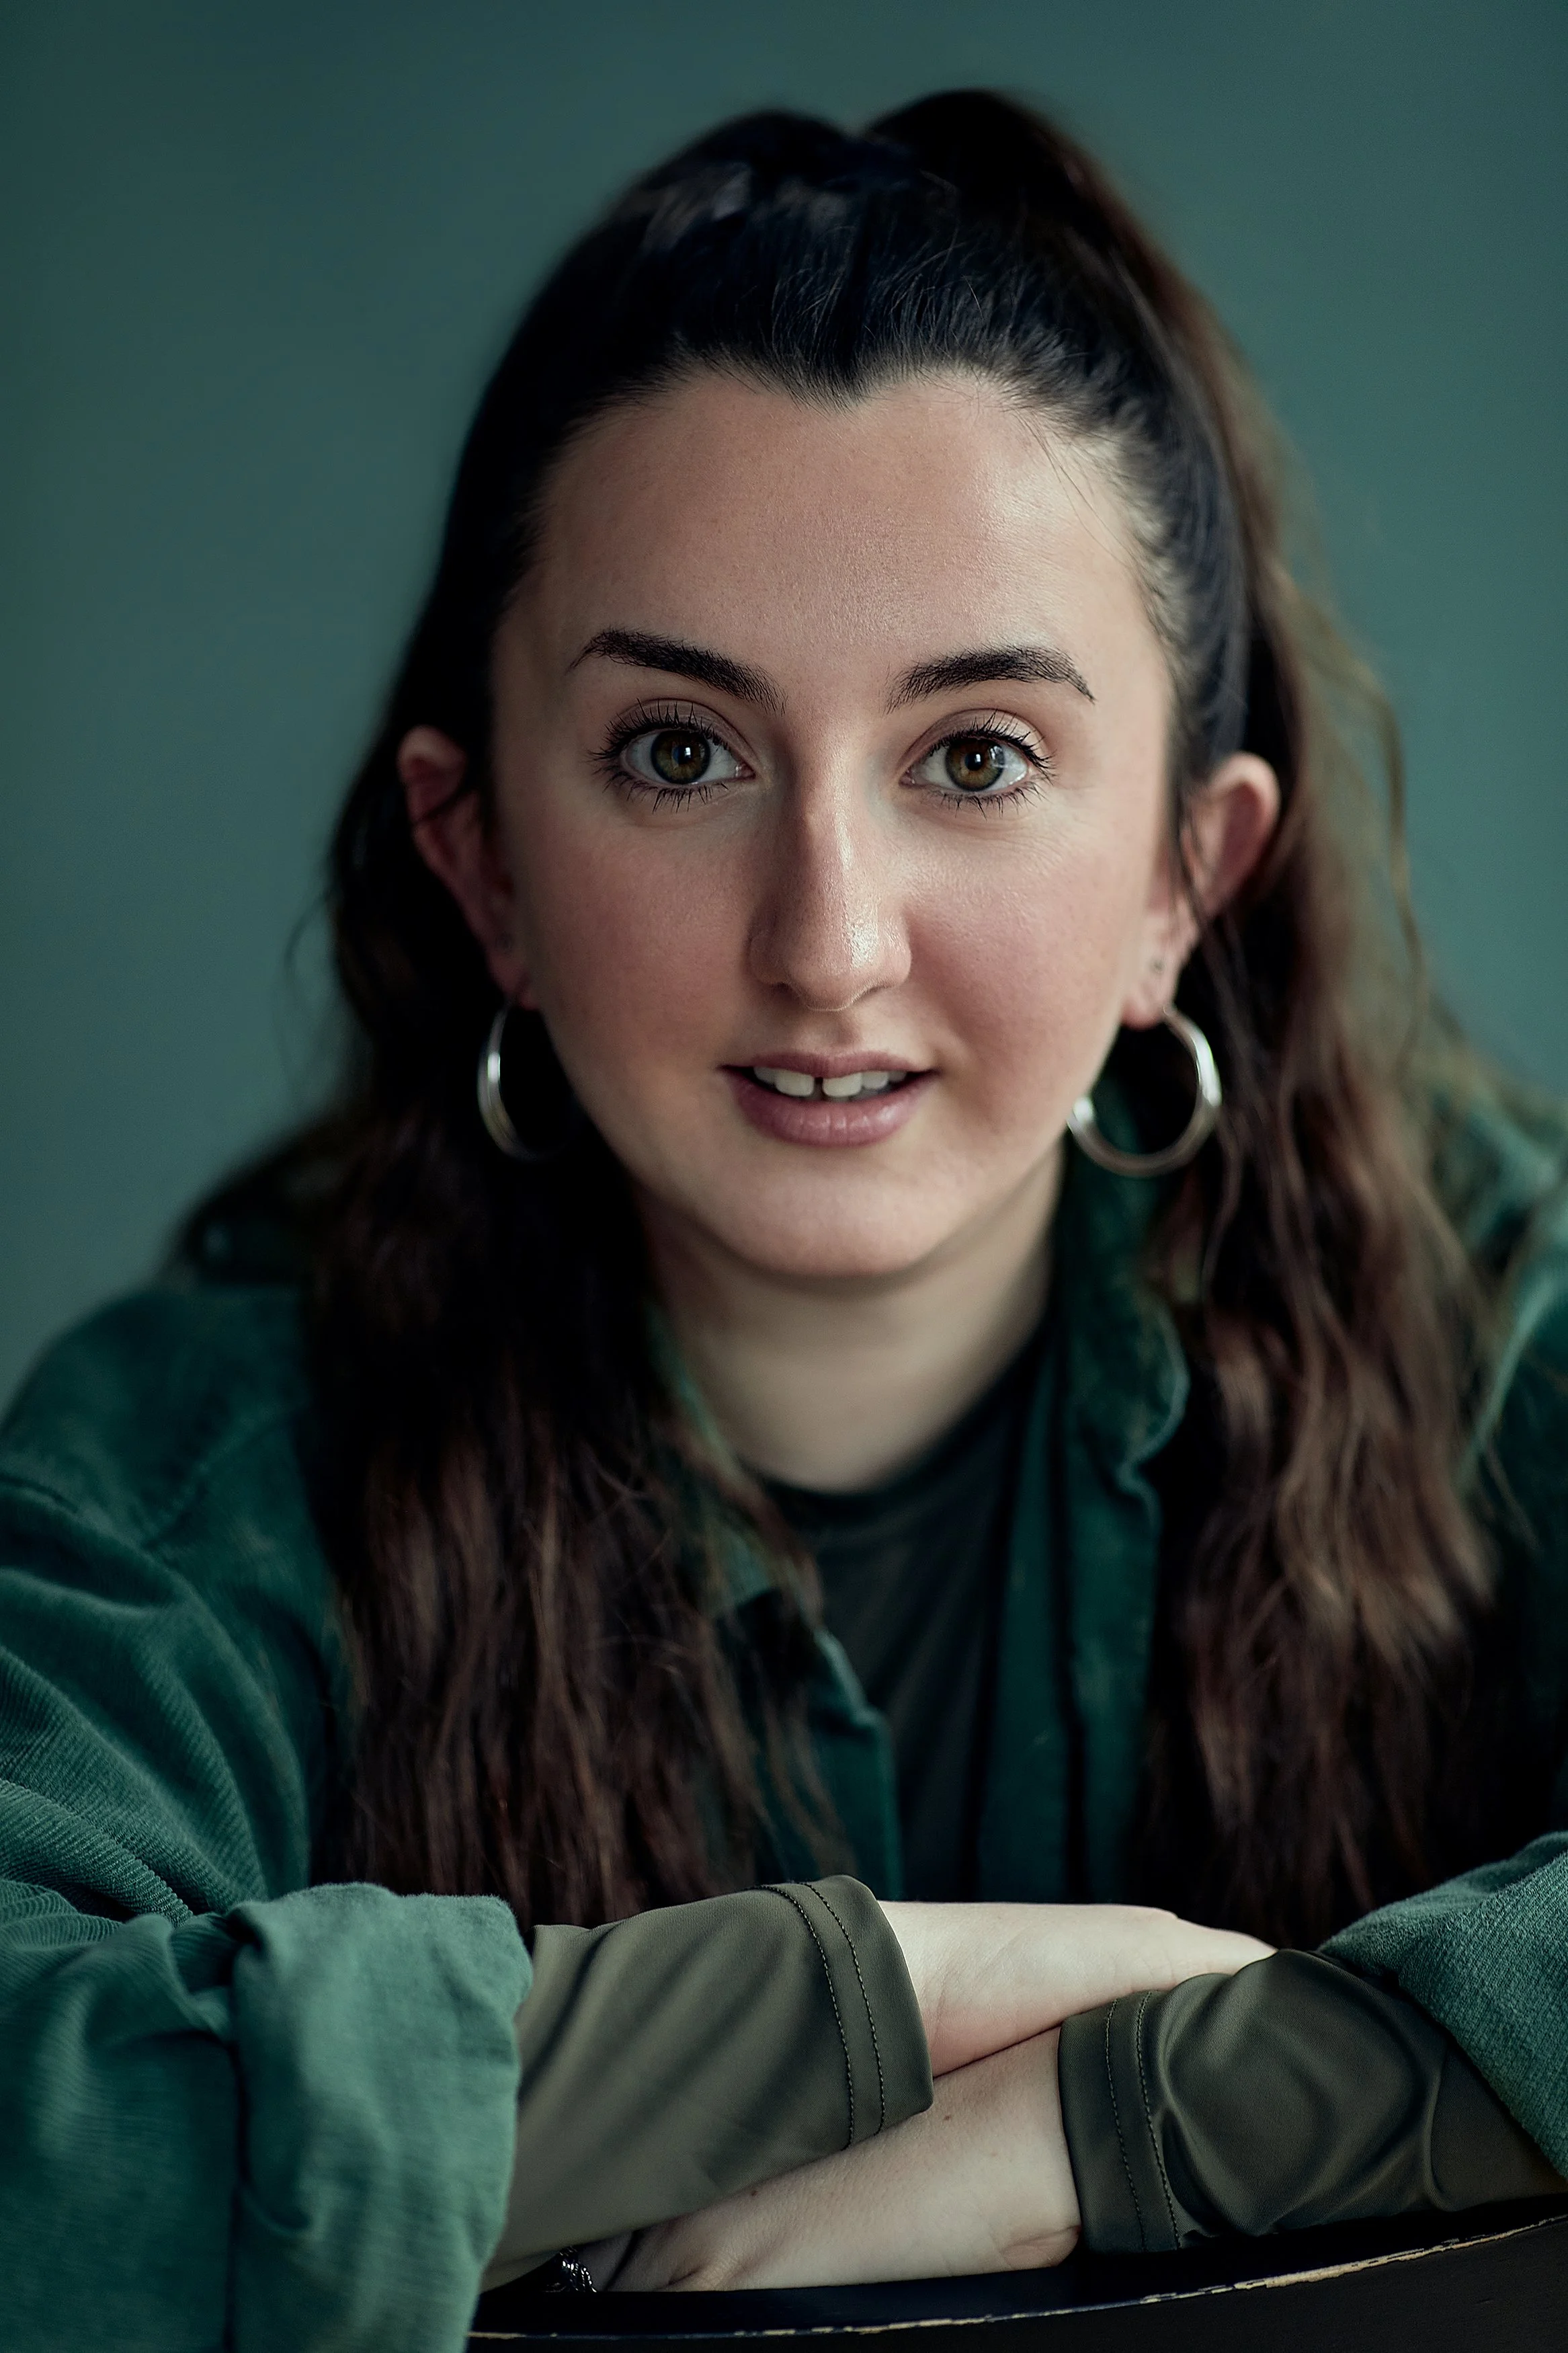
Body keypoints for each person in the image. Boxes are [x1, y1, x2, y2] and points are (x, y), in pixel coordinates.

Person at [2, 87, 1565, 2351]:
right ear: (481, 862)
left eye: (975, 757)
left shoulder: (1487, 1314)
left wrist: (1097, 2125)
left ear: (1180, 879)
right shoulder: (190, 1477)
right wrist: (888, 1995)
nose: (826, 941)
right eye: (677, 750)